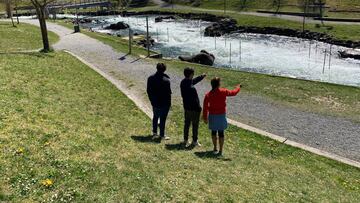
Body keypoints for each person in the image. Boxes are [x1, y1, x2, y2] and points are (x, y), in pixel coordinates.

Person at [203, 77, 241, 156]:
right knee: (221, 133)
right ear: (219, 84)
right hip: (221, 115)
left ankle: (214, 148)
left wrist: (205, 118)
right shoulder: (223, 91)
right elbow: (233, 93)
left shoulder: (208, 95)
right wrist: (238, 87)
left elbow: (205, 107)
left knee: (213, 132)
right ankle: (220, 150)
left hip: (212, 116)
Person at [180, 67, 206, 147]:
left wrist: (201, 76)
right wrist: (199, 109)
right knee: (195, 125)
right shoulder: (192, 89)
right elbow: (196, 101)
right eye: (193, 74)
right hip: (194, 109)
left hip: (186, 107)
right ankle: (194, 141)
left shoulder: (183, 82)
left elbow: (193, 81)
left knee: (187, 124)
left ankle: (185, 140)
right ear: (191, 74)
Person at [147, 63, 172, 140]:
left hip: (155, 102)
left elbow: (148, 91)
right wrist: (169, 104)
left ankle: (154, 133)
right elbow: (168, 94)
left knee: (155, 117)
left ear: (156, 68)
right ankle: (162, 135)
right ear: (164, 70)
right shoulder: (166, 80)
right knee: (163, 119)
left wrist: (151, 100)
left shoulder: (150, 78)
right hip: (164, 103)